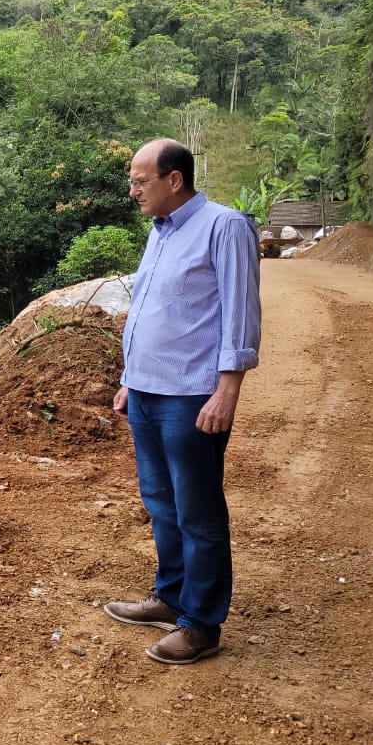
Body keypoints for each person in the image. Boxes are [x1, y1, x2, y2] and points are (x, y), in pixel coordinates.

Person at [107, 138, 261, 665]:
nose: (133, 191)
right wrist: (131, 377)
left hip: (193, 395)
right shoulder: (159, 232)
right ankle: (170, 596)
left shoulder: (223, 226)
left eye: (140, 181)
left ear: (175, 180)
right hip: (148, 391)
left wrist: (228, 390)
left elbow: (240, 314)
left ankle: (200, 624)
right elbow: (154, 310)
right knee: (161, 503)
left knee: (197, 511)